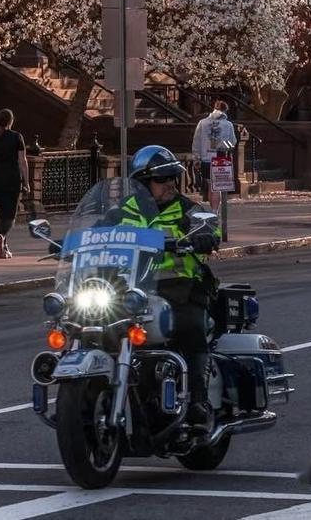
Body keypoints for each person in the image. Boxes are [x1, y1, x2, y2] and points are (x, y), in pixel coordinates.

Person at [103, 144, 221, 432]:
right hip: (133, 292)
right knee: (96, 326)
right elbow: (95, 236)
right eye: (162, 179)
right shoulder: (121, 213)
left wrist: (205, 236)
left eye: (172, 178)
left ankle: (198, 400)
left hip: (181, 290)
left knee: (190, 327)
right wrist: (66, 246)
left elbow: (211, 229)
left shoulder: (188, 210)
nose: (170, 183)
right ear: (143, 183)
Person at [0, 108, 30, 259]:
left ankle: (3, 246)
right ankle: (1, 237)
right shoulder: (16, 137)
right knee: (10, 214)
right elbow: (22, 161)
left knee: (2, 212)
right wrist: (26, 182)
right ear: (11, 121)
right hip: (11, 178)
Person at [192, 99, 237, 198]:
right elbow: (232, 142)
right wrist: (223, 146)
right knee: (217, 186)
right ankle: (215, 210)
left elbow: (196, 142)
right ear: (225, 111)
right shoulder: (228, 125)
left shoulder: (202, 123)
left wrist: (196, 157)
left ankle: (213, 210)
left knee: (209, 184)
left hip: (206, 158)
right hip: (221, 158)